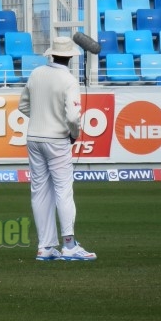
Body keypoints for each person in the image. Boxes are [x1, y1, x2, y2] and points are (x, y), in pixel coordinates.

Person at [17, 37, 97, 261]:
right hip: (57, 139)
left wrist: (42, 118)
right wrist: (74, 133)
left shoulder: (36, 73)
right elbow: (73, 116)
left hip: (34, 137)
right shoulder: (69, 80)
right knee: (63, 190)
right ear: (71, 57)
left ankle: (46, 247)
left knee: (40, 191)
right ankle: (69, 245)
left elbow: (22, 105)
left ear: (51, 54)